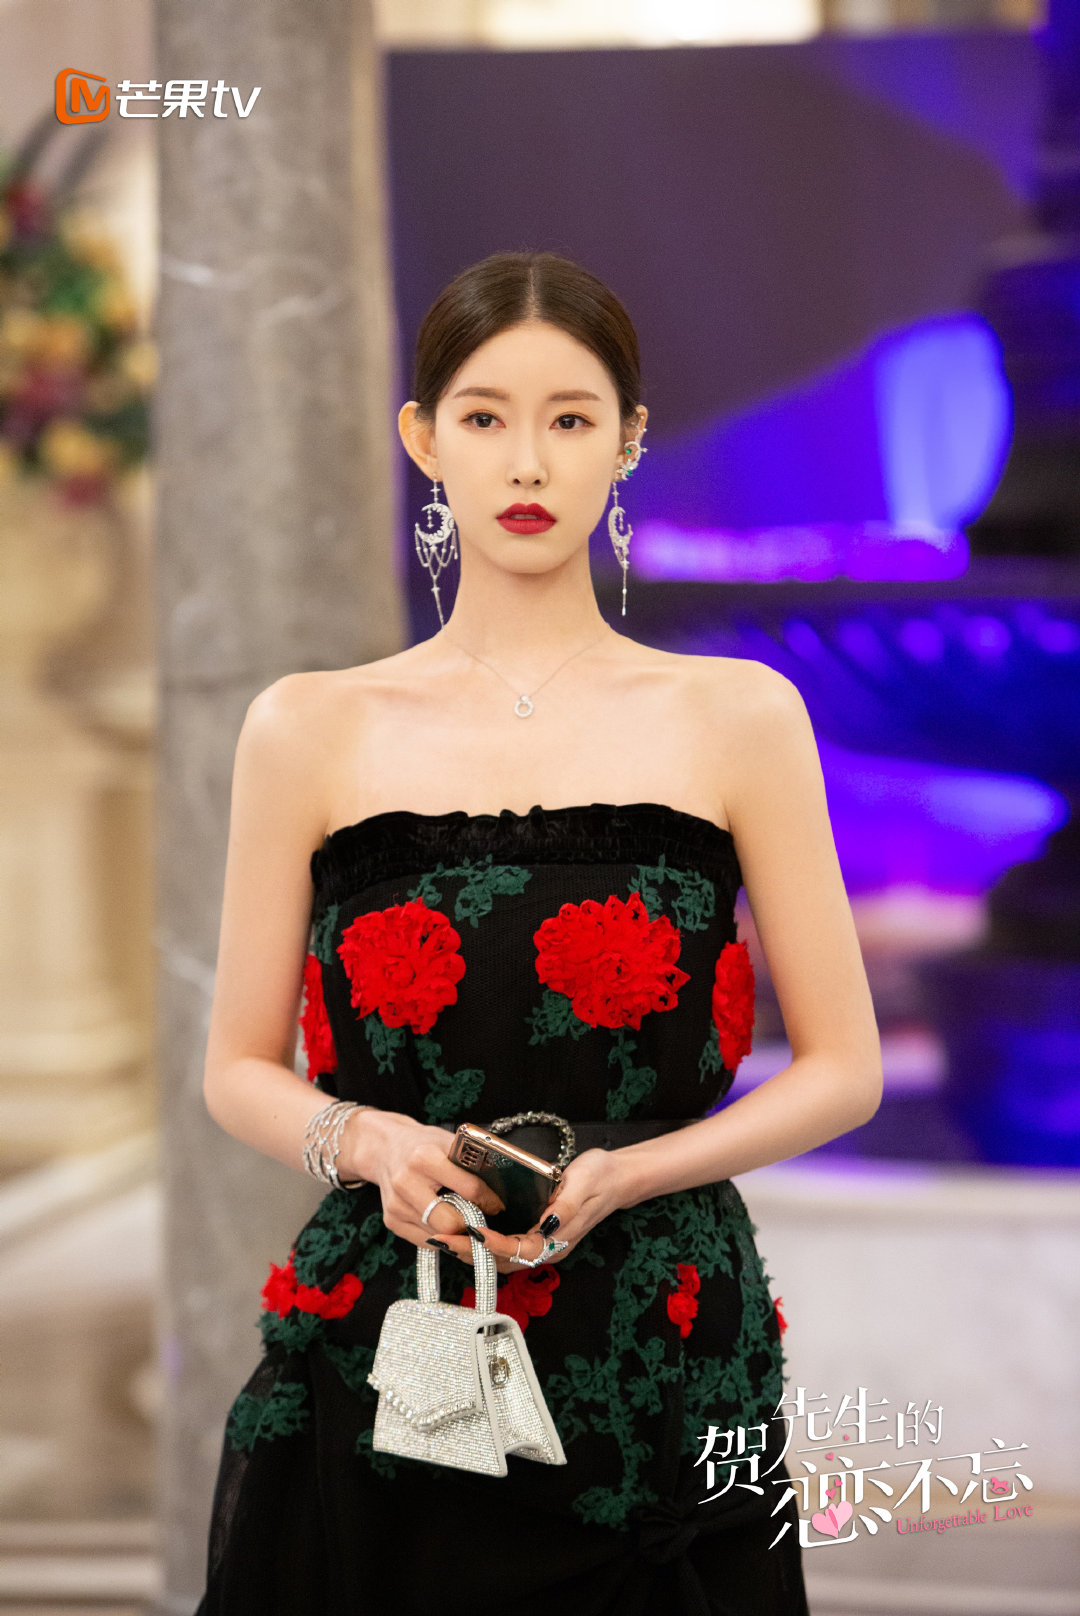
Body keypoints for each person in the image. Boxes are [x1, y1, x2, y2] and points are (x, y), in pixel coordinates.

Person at [193, 249, 882, 1616]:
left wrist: (635, 1175)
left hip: (661, 1341)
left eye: (570, 418)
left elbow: (845, 1069)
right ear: (423, 438)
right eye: (485, 416)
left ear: (628, 440)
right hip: (397, 1327)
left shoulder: (739, 717)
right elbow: (235, 1069)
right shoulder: (308, 727)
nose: (526, 462)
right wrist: (373, 1144)